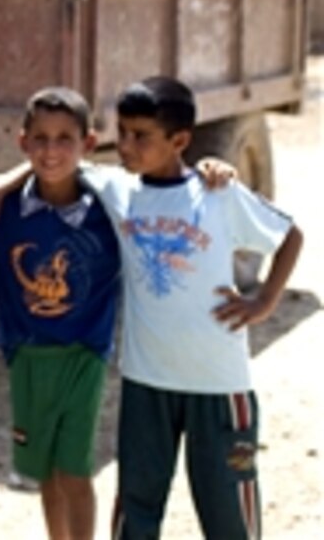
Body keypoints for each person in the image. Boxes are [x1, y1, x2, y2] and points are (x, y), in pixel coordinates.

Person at [95, 77, 303, 540]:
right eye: (122, 131)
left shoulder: (217, 193)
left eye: (140, 135)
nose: (126, 144)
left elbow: (289, 235)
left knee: (229, 513)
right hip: (146, 381)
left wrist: (265, 299)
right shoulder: (118, 190)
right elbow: (53, 166)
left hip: (218, 384)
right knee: (136, 508)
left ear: (180, 141)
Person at [0, 87, 122, 540]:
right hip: (27, 354)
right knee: (45, 471)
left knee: (75, 472)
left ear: (89, 142)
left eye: (66, 138)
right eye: (40, 139)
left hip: (85, 353)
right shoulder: (2, 209)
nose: (51, 150)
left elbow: (166, 185)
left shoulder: (111, 207)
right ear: (22, 143)